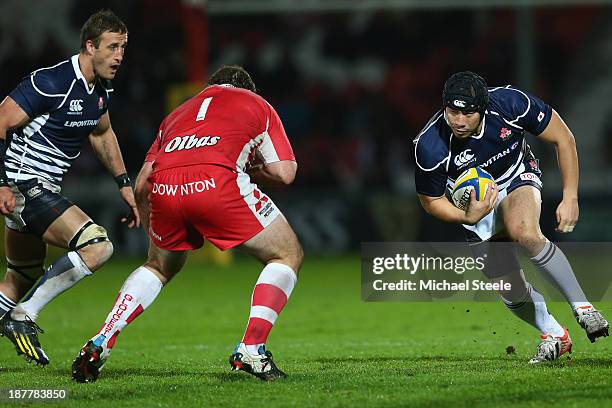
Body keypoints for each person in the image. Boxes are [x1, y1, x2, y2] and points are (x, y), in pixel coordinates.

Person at [71, 65, 303, 383]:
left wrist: (145, 214)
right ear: (248, 89)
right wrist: (247, 171)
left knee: (158, 266)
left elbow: (142, 183)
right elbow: (284, 172)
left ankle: (102, 338)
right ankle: (253, 347)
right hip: (217, 183)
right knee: (287, 254)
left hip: (165, 187)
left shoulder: (178, 113)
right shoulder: (257, 104)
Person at [414, 71, 608, 363]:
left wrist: (570, 197)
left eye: (468, 113)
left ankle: (584, 309)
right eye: (453, 111)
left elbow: (563, 138)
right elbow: (431, 201)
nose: (459, 120)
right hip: (474, 207)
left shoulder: (510, 104)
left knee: (525, 232)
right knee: (509, 287)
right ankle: (553, 334)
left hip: (515, 176)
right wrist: (465, 216)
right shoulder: (430, 146)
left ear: (482, 107)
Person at [0, 10, 138, 366]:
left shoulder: (100, 90)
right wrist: (1, 183)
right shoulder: (52, 81)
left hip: (37, 189)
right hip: (23, 185)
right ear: (90, 46)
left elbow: (102, 133)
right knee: (98, 246)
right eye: (112, 47)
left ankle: (17, 310)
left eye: (123, 47)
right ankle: (23, 316)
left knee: (21, 275)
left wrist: (124, 183)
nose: (119, 55)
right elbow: (0, 121)